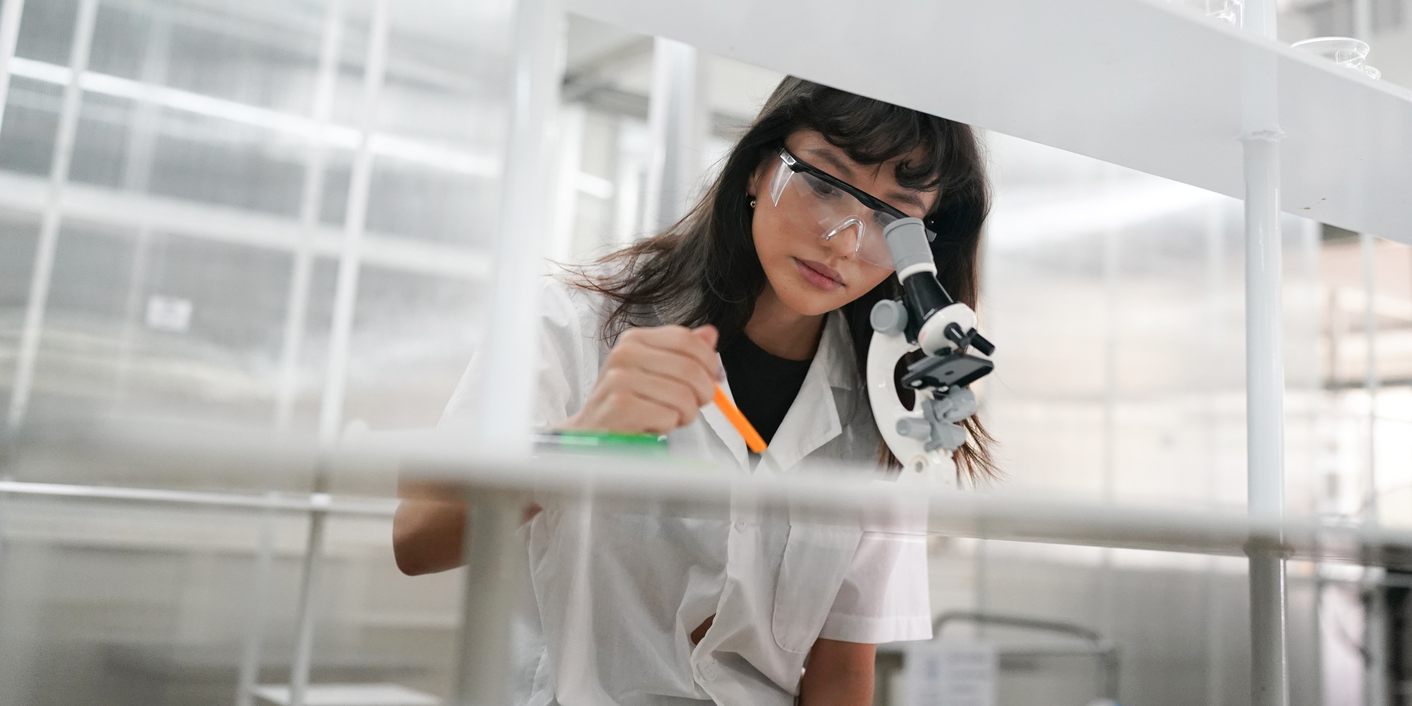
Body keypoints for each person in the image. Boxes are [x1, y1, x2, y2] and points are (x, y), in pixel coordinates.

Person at [394, 77, 996, 706]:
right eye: (822, 183)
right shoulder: (577, 323)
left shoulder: (891, 405)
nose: (843, 240)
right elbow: (416, 539)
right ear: (757, 170)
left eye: (893, 219)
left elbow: (842, 671)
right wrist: (583, 441)